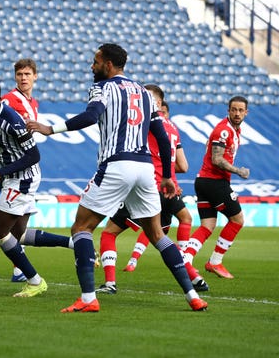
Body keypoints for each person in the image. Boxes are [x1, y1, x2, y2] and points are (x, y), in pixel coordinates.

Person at [27, 43, 207, 312]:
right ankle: (192, 295)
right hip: (146, 169)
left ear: (108, 64)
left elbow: (91, 115)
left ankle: (88, 299)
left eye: (95, 61)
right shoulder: (144, 93)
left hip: (116, 164)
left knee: (81, 229)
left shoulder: (102, 88)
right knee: (157, 234)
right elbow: (161, 134)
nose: (92, 66)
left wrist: (49, 129)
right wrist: (168, 175)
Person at [95, 87, 208, 295]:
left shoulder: (143, 123)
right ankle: (193, 276)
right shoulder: (173, 127)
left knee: (109, 233)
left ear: (155, 103)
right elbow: (183, 166)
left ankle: (110, 283)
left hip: (146, 188)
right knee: (163, 236)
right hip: (170, 190)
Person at [0, 59, 74, 283]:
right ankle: (17, 270)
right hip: (14, 169)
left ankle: (24, 274)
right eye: (19, 74)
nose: (23, 78)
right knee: (11, 230)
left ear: (35, 76)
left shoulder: (30, 104)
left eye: (27, 74)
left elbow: (24, 148)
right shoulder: (6, 102)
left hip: (22, 170)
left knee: (10, 231)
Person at [183, 96, 250, 279]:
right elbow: (217, 159)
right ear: (228, 110)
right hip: (214, 183)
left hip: (204, 181)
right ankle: (215, 261)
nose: (237, 113)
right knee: (237, 220)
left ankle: (186, 260)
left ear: (246, 112)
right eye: (233, 110)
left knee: (207, 225)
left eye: (240, 110)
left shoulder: (235, 130)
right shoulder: (224, 131)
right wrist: (238, 171)